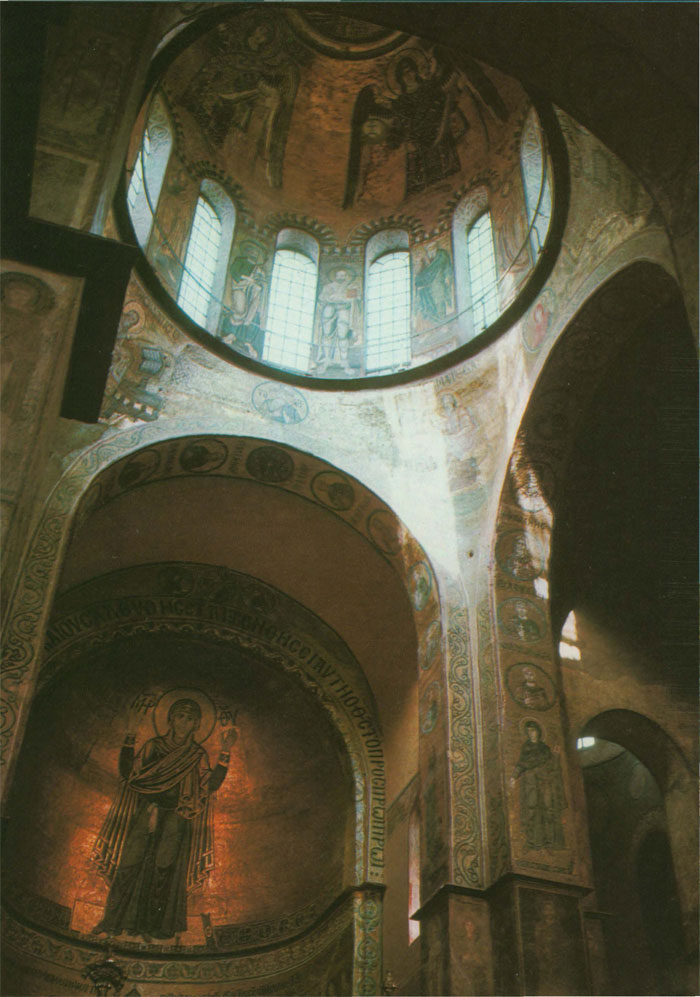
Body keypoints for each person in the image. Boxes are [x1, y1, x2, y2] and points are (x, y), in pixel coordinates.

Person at [92, 697, 236, 942]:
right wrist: (130, 734)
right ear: (170, 719)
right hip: (147, 811)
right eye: (180, 716)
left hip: (177, 817)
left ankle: (152, 927)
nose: (184, 722)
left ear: (196, 725)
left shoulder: (196, 755)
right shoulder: (154, 746)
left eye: (190, 719)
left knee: (164, 868)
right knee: (129, 862)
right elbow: (129, 773)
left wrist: (226, 750)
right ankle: (112, 921)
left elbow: (209, 784)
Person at [510, 720, 566, 850]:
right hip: (530, 783)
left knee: (548, 810)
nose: (531, 733)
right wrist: (514, 777)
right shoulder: (526, 748)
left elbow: (552, 766)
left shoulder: (545, 749)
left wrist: (556, 755)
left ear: (539, 732)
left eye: (533, 730)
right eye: (528, 731)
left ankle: (550, 842)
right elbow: (522, 764)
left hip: (544, 782)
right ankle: (533, 842)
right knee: (531, 809)